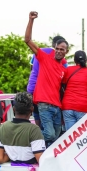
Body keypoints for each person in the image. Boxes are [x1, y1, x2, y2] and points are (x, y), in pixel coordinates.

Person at [24, 11, 68, 147]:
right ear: (54, 48)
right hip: (44, 104)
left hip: (57, 106)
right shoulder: (44, 57)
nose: (59, 51)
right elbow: (27, 40)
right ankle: (25, 141)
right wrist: (31, 20)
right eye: (58, 48)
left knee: (55, 137)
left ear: (66, 52)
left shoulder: (64, 69)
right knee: (48, 134)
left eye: (63, 49)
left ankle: (43, 158)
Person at [0, 92, 45, 164]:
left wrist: (9, 155)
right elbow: (41, 160)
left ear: (13, 109)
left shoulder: (3, 127)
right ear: (32, 109)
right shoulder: (34, 130)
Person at [27, 36, 68, 129]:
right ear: (55, 45)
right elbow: (62, 83)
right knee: (49, 130)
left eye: (61, 49)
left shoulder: (41, 52)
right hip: (45, 95)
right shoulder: (51, 58)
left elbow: (32, 68)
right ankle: (38, 138)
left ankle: (39, 135)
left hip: (33, 89)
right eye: (57, 48)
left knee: (39, 120)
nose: (58, 51)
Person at [62, 51, 87, 130]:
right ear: (86, 60)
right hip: (83, 106)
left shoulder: (68, 70)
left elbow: (62, 85)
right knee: (82, 137)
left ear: (75, 60)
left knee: (70, 135)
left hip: (67, 106)